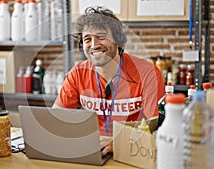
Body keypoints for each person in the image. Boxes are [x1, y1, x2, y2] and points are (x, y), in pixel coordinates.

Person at [53, 6, 165, 156]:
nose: (94, 45)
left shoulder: (147, 73)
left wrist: (119, 143)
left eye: (101, 36)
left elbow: (157, 128)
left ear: (117, 40)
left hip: (134, 151)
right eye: (88, 39)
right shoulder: (77, 73)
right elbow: (57, 118)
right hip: (92, 151)